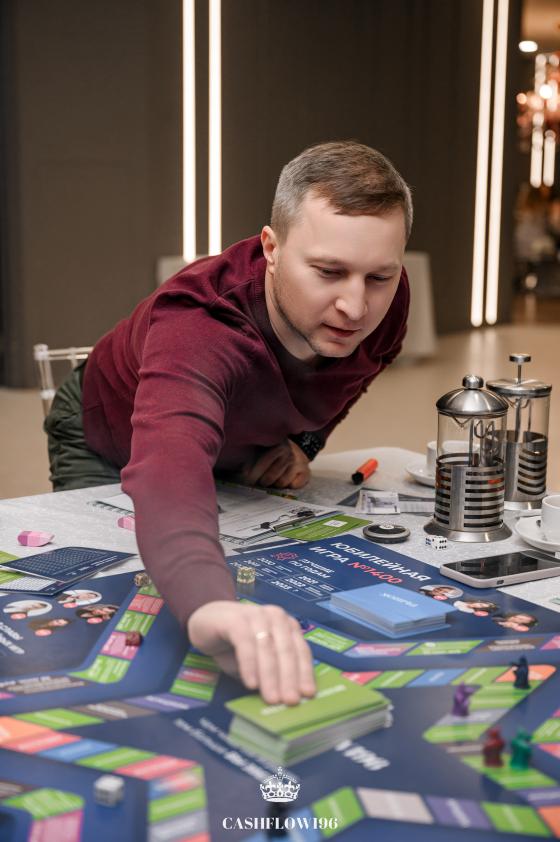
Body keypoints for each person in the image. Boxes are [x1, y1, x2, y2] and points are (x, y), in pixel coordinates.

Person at [44, 141, 412, 704]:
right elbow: (170, 471)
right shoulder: (199, 325)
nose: (356, 308)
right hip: (108, 435)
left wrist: (307, 442)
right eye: (328, 272)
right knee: (105, 598)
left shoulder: (389, 298)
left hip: (231, 444)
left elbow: (358, 371)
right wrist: (210, 606)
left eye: (379, 277)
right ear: (271, 248)